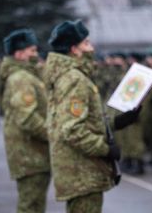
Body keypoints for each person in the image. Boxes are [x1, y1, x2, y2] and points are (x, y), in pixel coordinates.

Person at [44, 20, 140, 213]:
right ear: (74, 49)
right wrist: (105, 149)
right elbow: (72, 129)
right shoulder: (74, 79)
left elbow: (84, 122)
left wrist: (117, 122)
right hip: (82, 172)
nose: (92, 47)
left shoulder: (71, 76)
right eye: (86, 43)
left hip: (78, 171)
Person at [0, 29, 50, 213]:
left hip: (32, 154)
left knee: (34, 205)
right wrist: (53, 134)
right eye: (32, 51)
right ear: (19, 54)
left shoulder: (25, 75)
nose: (36, 55)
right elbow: (27, 118)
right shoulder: (21, 79)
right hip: (31, 156)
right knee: (30, 206)